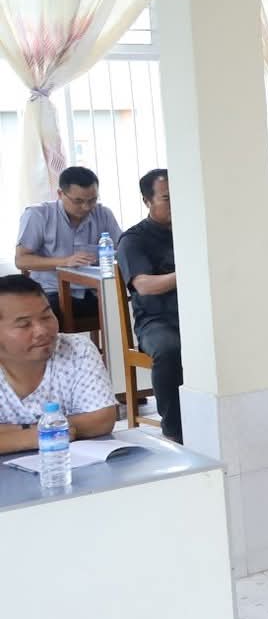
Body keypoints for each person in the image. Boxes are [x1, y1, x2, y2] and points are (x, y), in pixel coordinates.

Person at [0, 273, 117, 452]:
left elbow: (101, 420)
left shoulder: (77, 348)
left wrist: (14, 435)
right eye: (24, 325)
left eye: (46, 317)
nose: (41, 331)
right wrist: (29, 438)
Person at [116, 169, 182, 443]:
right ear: (147, 201)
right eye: (167, 198)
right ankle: (176, 432)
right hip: (157, 320)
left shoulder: (194, 228)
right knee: (169, 349)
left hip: (199, 314)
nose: (176, 203)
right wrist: (189, 272)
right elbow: (144, 285)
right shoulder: (133, 239)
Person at [14, 165, 123, 324]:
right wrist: (64, 262)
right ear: (60, 194)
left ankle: (106, 350)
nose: (86, 207)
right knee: (45, 318)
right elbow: (21, 260)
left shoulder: (103, 214)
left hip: (94, 291)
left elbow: (121, 250)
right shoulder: (38, 215)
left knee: (123, 310)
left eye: (92, 200)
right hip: (52, 292)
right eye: (78, 201)